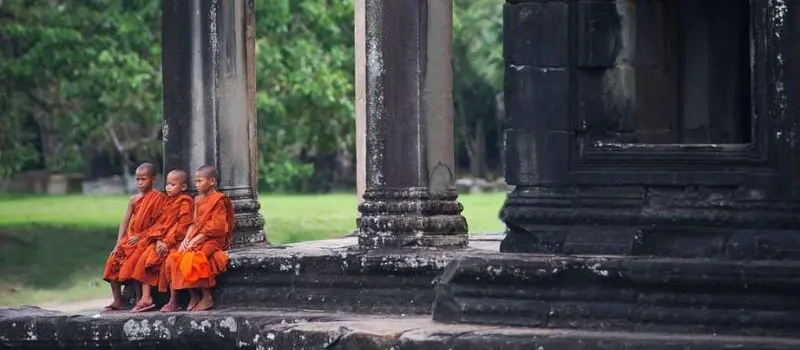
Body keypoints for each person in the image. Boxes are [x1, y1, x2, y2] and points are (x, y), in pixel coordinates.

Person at [164, 165, 233, 312]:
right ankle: (193, 294)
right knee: (176, 256)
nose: (196, 185)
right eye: (196, 181)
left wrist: (197, 240)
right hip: (198, 237)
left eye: (200, 181)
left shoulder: (218, 200)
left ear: (212, 181)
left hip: (214, 240)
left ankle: (207, 297)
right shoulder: (197, 199)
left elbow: (218, 226)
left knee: (195, 258)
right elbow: (194, 224)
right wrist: (186, 240)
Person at [101, 163, 166, 312]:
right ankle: (117, 300)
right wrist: (118, 243)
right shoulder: (133, 199)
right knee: (112, 261)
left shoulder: (160, 198)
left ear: (153, 180)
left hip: (145, 239)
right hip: (129, 239)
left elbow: (160, 225)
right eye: (137, 179)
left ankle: (140, 298)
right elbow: (125, 221)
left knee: (134, 263)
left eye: (143, 179)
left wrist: (140, 236)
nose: (140, 182)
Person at [127, 169, 193, 313]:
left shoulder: (185, 202)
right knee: (145, 255)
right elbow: (159, 224)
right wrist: (158, 241)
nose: (168, 187)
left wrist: (167, 243)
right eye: (167, 184)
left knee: (170, 261)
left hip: (176, 242)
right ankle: (146, 297)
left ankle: (174, 300)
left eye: (173, 184)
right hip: (162, 241)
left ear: (183, 187)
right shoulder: (167, 202)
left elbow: (182, 227)